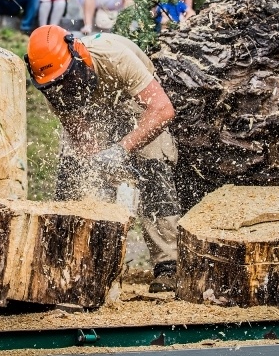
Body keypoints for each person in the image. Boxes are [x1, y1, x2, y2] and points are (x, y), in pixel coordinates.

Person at [25, 25, 182, 292]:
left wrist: (122, 149)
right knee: (74, 169)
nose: (65, 87)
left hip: (134, 103)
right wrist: (97, 164)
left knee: (153, 163)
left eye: (69, 78)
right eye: (57, 84)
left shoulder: (115, 56)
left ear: (79, 55)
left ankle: (169, 264)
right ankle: (74, 260)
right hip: (93, 111)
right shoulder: (53, 85)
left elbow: (162, 109)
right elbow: (79, 133)